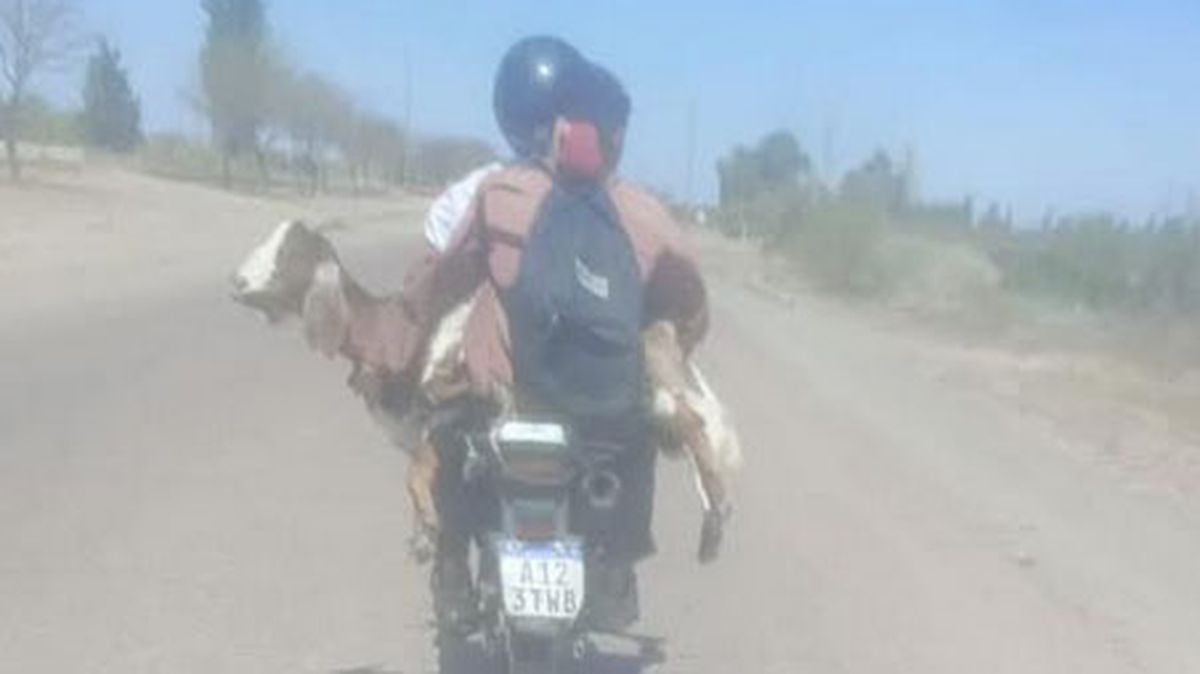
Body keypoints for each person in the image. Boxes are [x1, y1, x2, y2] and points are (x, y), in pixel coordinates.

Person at [364, 36, 708, 631]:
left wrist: (391, 350)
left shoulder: (496, 192)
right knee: (640, 440)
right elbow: (689, 305)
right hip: (605, 419)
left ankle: (450, 567)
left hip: (508, 400)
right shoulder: (644, 212)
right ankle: (618, 567)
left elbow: (442, 278)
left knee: (446, 421)